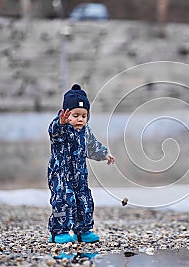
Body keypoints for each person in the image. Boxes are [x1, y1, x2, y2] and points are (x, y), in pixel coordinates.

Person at [47, 84, 115, 244]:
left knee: (84, 200)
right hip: (61, 174)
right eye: (75, 115)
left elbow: (92, 146)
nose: (80, 119)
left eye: (83, 116)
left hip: (80, 175)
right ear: (65, 114)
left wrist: (105, 154)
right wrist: (60, 124)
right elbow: (53, 132)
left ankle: (82, 230)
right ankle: (59, 232)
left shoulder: (85, 132)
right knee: (63, 200)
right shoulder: (61, 129)